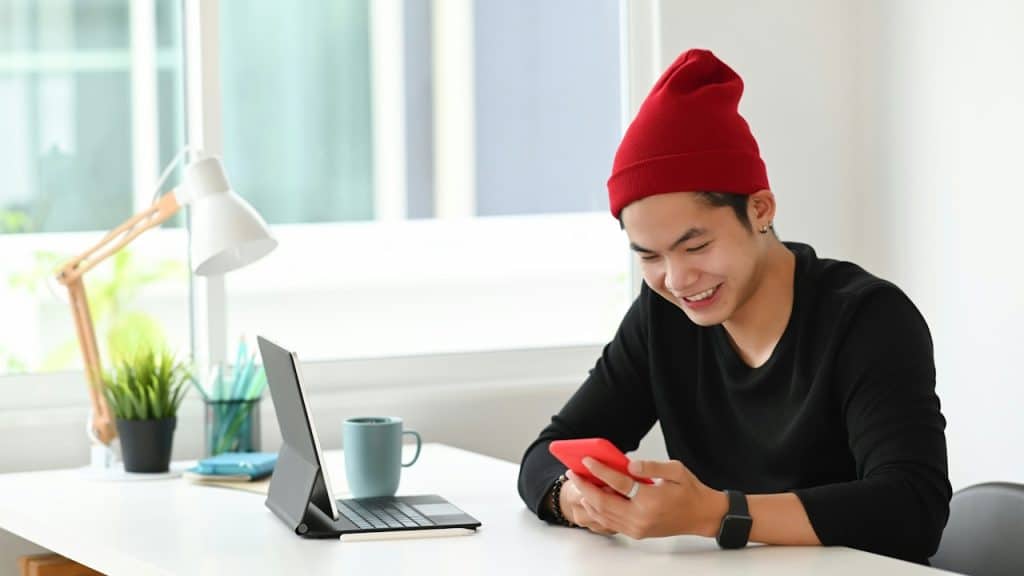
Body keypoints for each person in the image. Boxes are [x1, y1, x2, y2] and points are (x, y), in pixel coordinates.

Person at [517, 48, 951, 565]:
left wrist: (718, 513)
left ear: (760, 210)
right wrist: (577, 498)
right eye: (650, 256)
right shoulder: (663, 317)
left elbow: (911, 510)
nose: (677, 280)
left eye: (696, 247)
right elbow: (547, 453)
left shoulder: (867, 318)